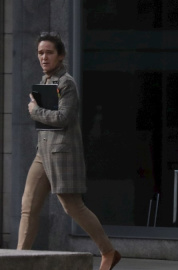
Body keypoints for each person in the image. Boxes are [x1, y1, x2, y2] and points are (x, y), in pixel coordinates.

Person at [19, 32, 121, 270]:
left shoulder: (66, 83)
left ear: (61, 55)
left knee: (72, 206)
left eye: (49, 52)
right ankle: (18, 260)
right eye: (40, 53)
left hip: (62, 155)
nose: (44, 57)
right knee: (28, 206)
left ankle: (108, 251)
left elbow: (64, 118)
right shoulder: (45, 81)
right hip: (42, 153)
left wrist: (34, 111)